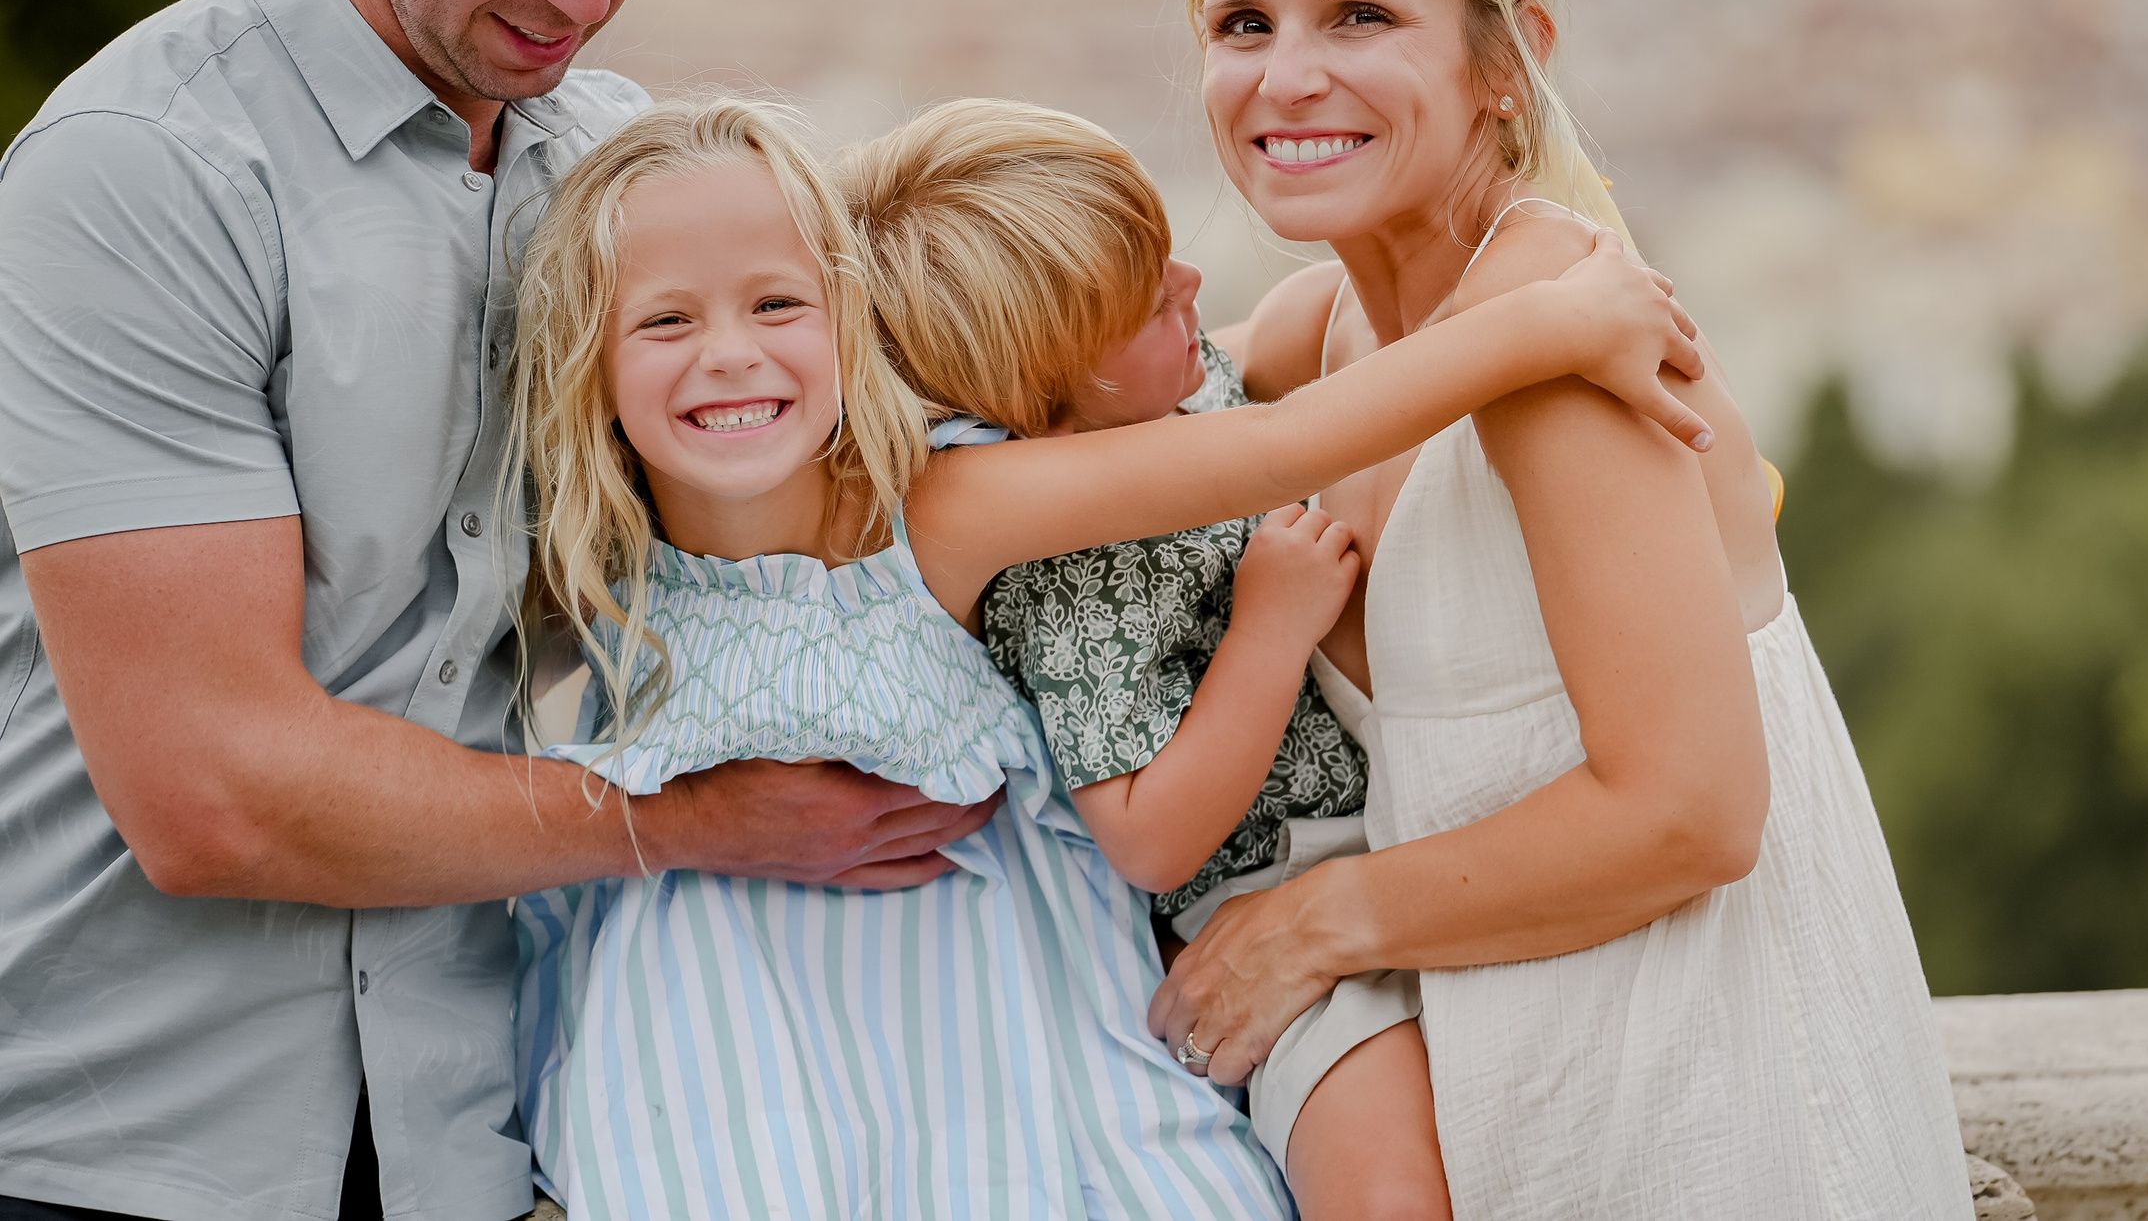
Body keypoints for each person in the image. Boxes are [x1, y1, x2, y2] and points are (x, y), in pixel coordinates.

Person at [0, 0, 991, 1220]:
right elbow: (213, 793)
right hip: (115, 1152)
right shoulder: (141, 172)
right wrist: (693, 818)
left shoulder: (622, 168)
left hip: (473, 1148)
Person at [505, 96, 1708, 1216]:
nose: (727, 353)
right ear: (587, 361)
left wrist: (1543, 321)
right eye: (666, 321)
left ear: (847, 319)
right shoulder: (594, 566)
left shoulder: (935, 510)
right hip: (717, 1074)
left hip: (1003, 1051)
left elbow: (1285, 436)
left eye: (776, 305)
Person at [1148, 0, 1976, 1219]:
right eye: (1243, 24)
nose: (1287, 75)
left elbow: (1693, 810)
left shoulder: (1556, 340)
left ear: (1509, 58)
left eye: (1360, 15)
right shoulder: (1321, 331)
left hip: (1715, 1126)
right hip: (1534, 1114)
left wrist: (1312, 925)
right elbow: (1070, 449)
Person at [843, 100, 1421, 1193]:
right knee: (1386, 1179)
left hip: (1397, 836)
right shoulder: (1065, 577)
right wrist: (1269, 627)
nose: (1192, 281)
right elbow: (1151, 841)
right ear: (1052, 399)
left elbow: (1307, 317)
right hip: (1264, 890)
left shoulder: (1177, 385)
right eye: (1155, 299)